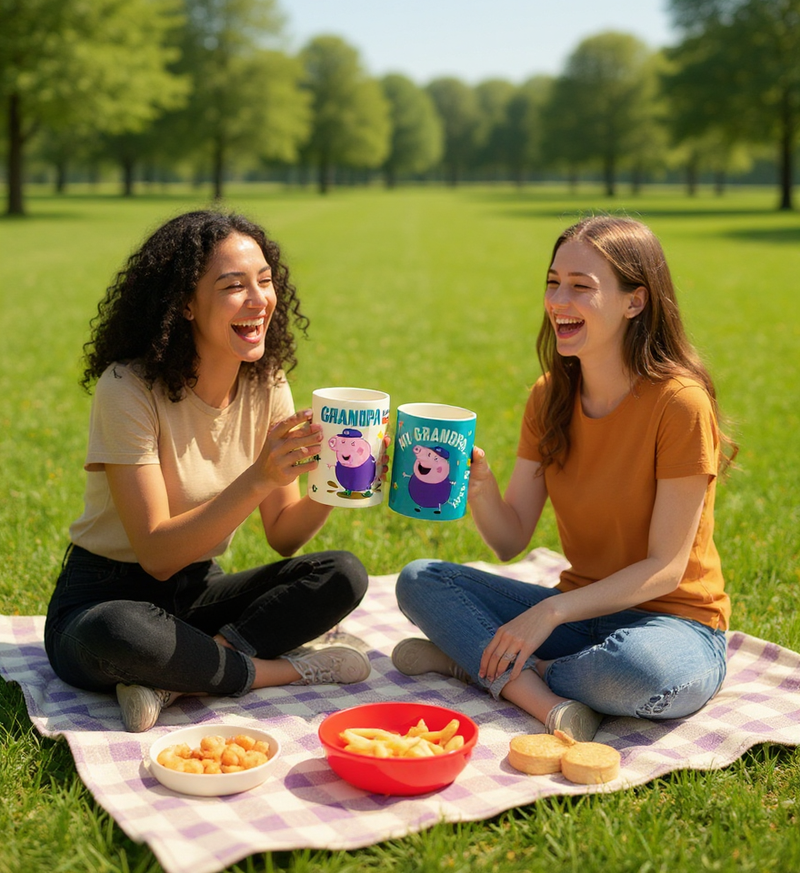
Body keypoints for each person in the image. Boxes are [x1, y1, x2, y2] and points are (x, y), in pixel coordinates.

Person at [392, 215, 735, 742]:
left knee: (641, 674)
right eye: (553, 282)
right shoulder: (549, 395)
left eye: (581, 287)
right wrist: (478, 482)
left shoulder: (679, 403)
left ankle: (486, 665)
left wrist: (550, 612)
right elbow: (509, 540)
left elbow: (665, 570)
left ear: (634, 301)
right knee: (421, 580)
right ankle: (526, 678)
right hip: (578, 619)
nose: (558, 301)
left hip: (674, 625)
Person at [45, 210, 373, 732]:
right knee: (120, 631)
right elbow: (154, 555)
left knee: (341, 574)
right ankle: (281, 671)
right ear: (185, 304)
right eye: (234, 286)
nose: (259, 299)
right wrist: (259, 477)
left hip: (197, 592)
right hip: (105, 594)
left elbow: (284, 536)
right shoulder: (126, 387)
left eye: (264, 281)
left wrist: (345, 481)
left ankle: (177, 674)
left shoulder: (268, 384)